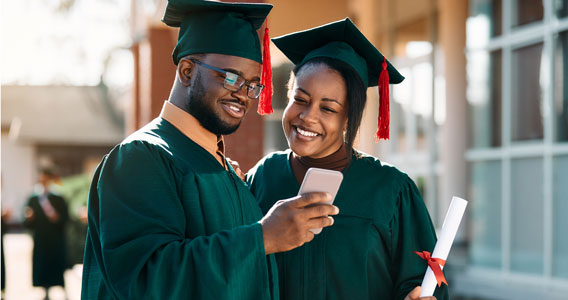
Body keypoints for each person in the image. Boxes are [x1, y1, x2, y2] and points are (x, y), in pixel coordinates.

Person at [81, 1, 339, 299]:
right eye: (231, 77)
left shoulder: (226, 170)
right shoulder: (142, 157)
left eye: (252, 85)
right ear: (187, 71)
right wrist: (262, 237)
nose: (243, 95)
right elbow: (146, 279)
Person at [246, 18, 448, 300]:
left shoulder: (390, 189)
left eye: (328, 108)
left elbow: (427, 279)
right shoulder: (263, 177)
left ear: (348, 118)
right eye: (300, 99)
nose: (308, 116)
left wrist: (417, 295)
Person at [24, 168, 70, 299]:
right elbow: (27, 221)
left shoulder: (58, 197)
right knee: (42, 264)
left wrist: (57, 218)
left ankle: (60, 287)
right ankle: (45, 289)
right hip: (40, 238)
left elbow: (66, 219)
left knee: (56, 264)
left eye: (45, 180)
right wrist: (29, 218)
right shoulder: (34, 198)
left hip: (55, 238)